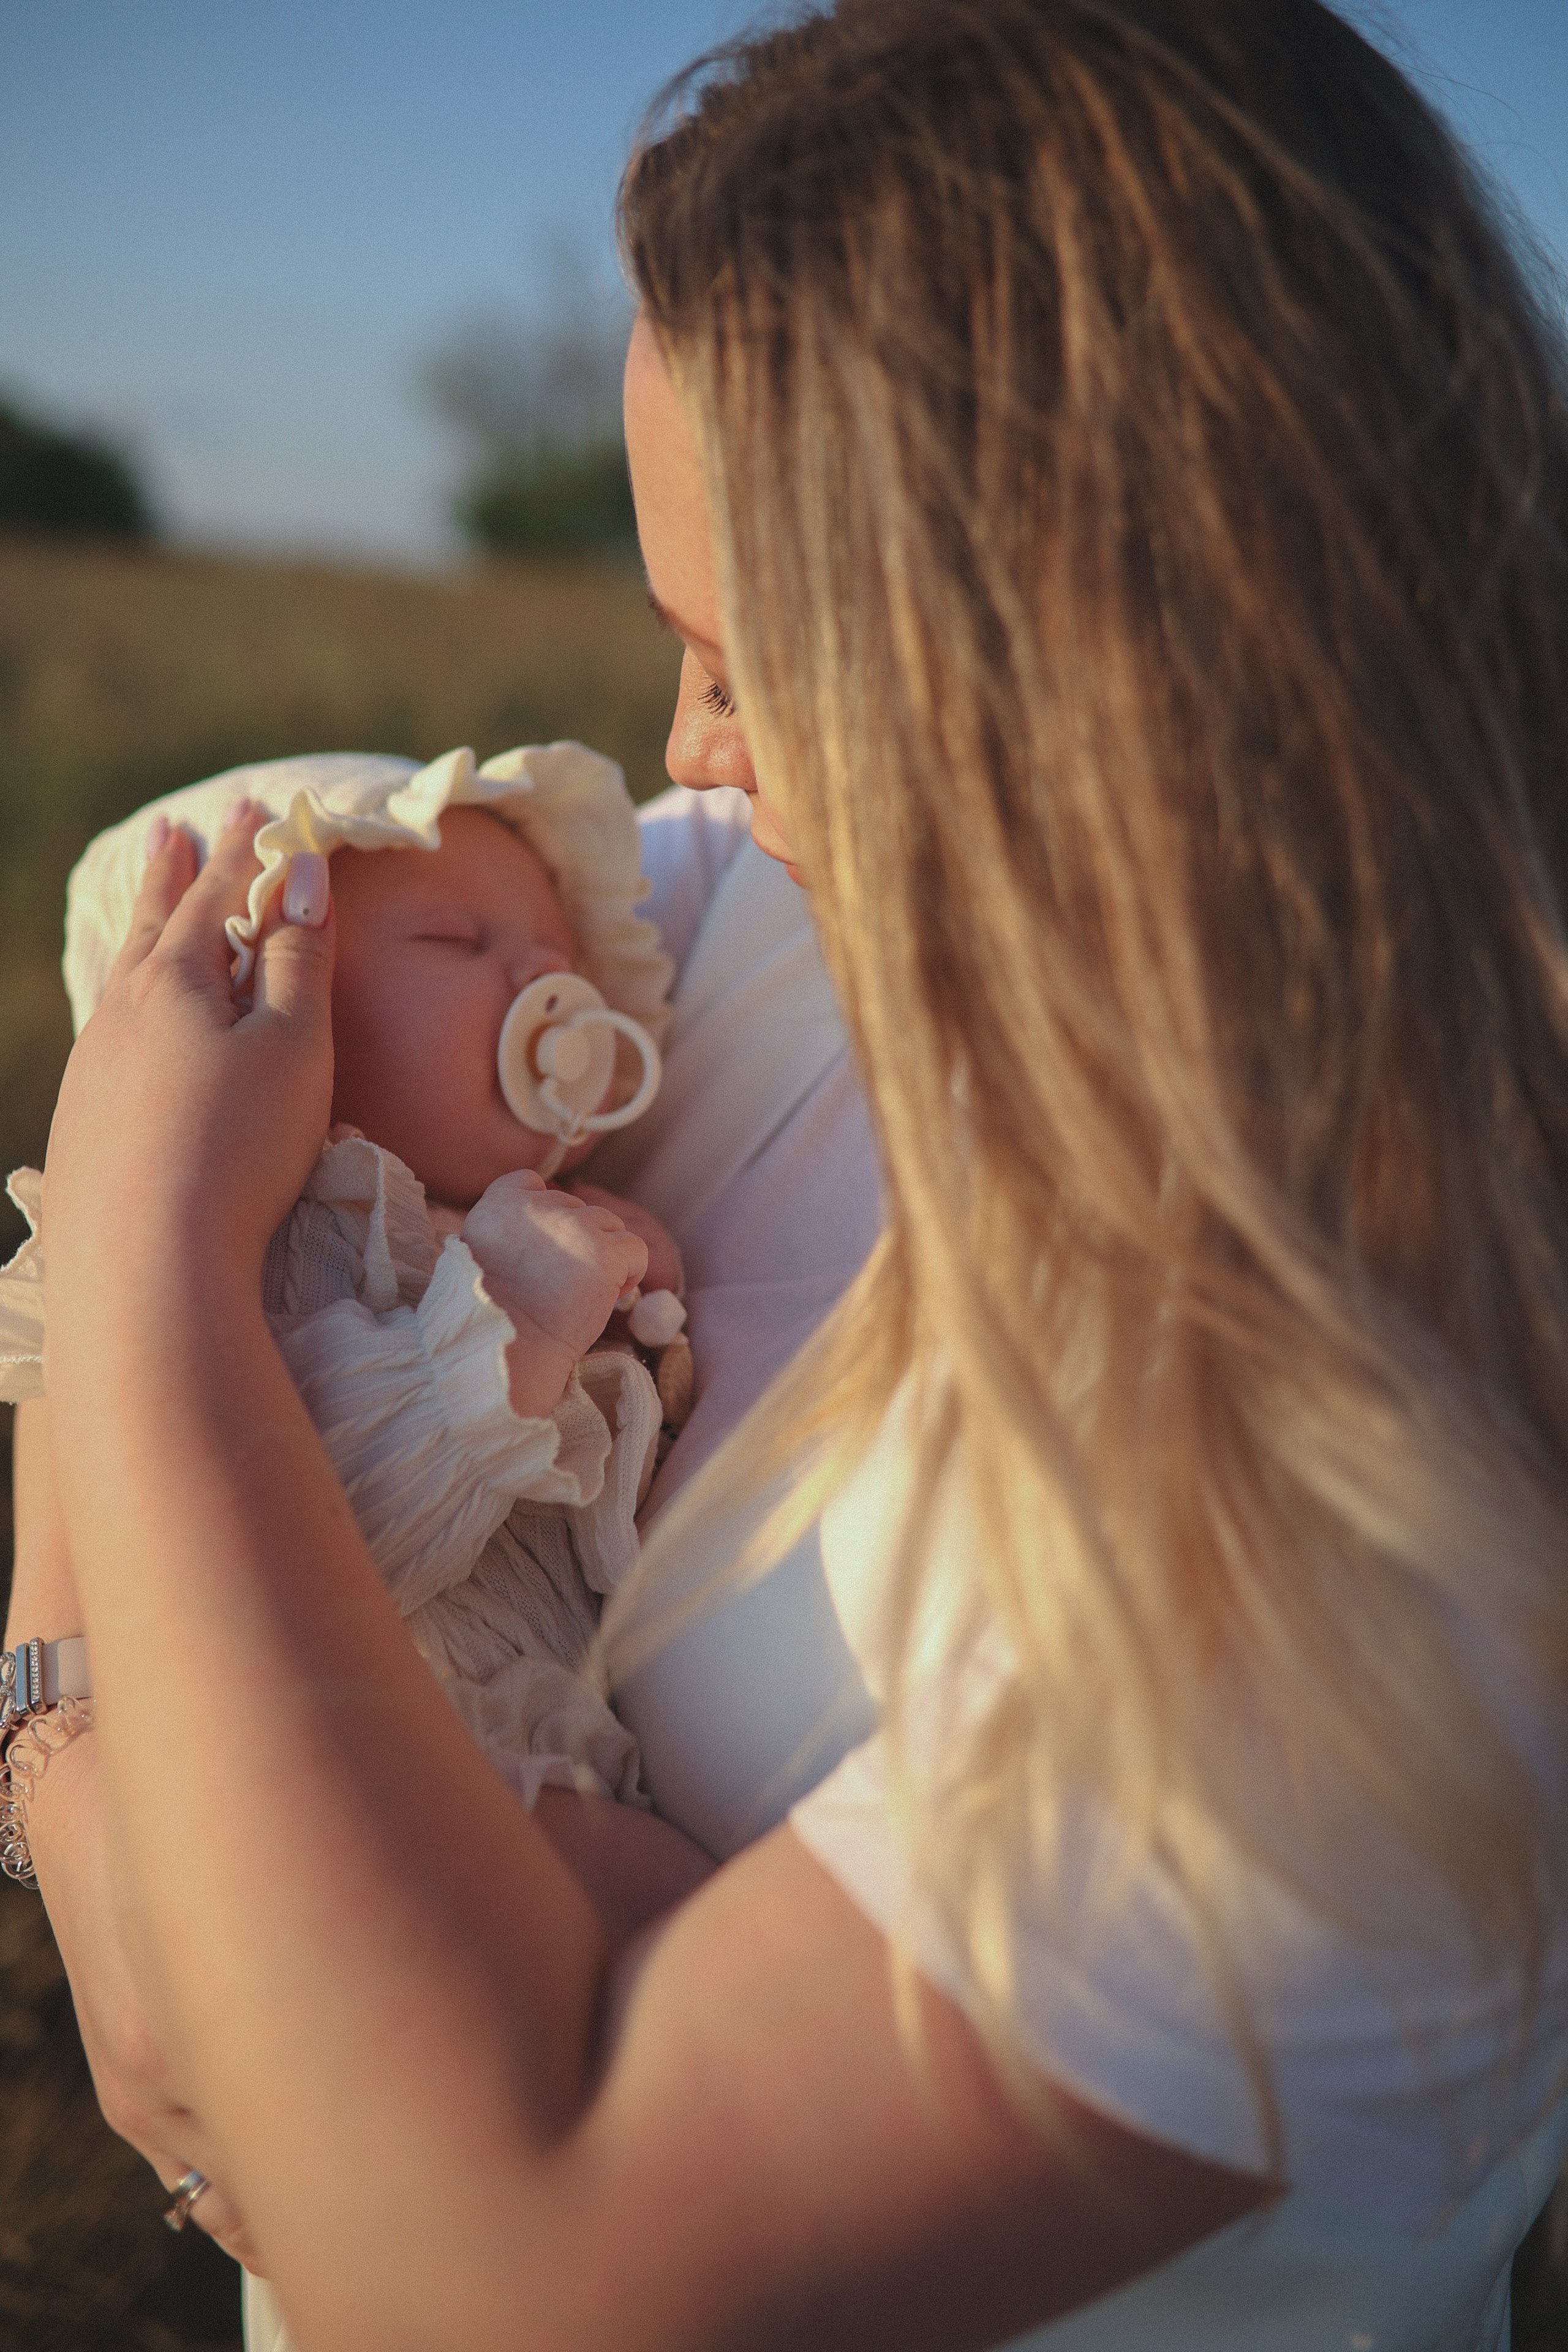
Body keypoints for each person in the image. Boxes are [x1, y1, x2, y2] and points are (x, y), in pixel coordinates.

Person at [13, 2, 1568, 2344]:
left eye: (745, 657)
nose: (687, 757)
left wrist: (144, 1259)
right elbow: (191, 1067)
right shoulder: (756, 921)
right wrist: (56, 1724)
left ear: (1066, 666)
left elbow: (509, 2271)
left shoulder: (1400, 1518)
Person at [2, 742, 701, 1822]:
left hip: (563, 1766)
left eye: (557, 949)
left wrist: (638, 1350)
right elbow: (280, 1540)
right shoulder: (286, 1247)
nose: (541, 978)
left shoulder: (543, 1218)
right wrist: (509, 1327)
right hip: (368, 1792)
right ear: (254, 1002)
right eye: (456, 940)